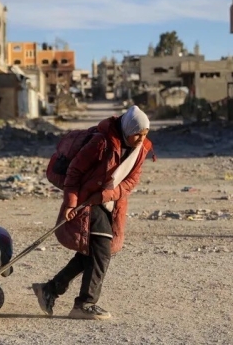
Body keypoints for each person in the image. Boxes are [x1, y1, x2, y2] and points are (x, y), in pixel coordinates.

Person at [32, 105, 154, 320]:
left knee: (94, 252)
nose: (141, 138)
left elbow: (131, 181)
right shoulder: (102, 142)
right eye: (138, 133)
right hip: (86, 199)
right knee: (101, 251)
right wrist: (70, 203)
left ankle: (50, 289)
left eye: (145, 134)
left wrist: (107, 196)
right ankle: (85, 304)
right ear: (128, 128)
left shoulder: (140, 149)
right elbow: (74, 172)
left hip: (108, 201)